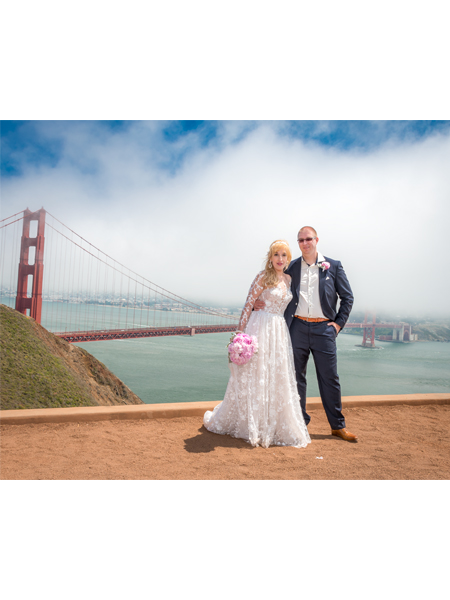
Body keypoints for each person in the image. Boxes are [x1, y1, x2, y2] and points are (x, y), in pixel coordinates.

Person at [203, 240, 311, 449]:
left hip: (279, 332)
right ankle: (251, 423)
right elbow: (247, 305)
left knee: (275, 375)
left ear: (288, 259)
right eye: (276, 255)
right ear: (270, 258)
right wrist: (239, 336)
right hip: (260, 328)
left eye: (284, 255)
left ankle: (272, 423)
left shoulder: (289, 279)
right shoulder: (263, 276)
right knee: (255, 374)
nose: (280, 259)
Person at [255, 226, 357, 442]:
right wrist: (258, 302)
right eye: (300, 240)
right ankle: (300, 423)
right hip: (297, 328)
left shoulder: (334, 266)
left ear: (316, 240)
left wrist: (338, 324)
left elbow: (348, 297)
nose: (305, 243)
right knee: (295, 378)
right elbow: (273, 283)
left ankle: (338, 426)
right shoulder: (291, 267)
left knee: (330, 378)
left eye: (308, 239)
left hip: (324, 330)